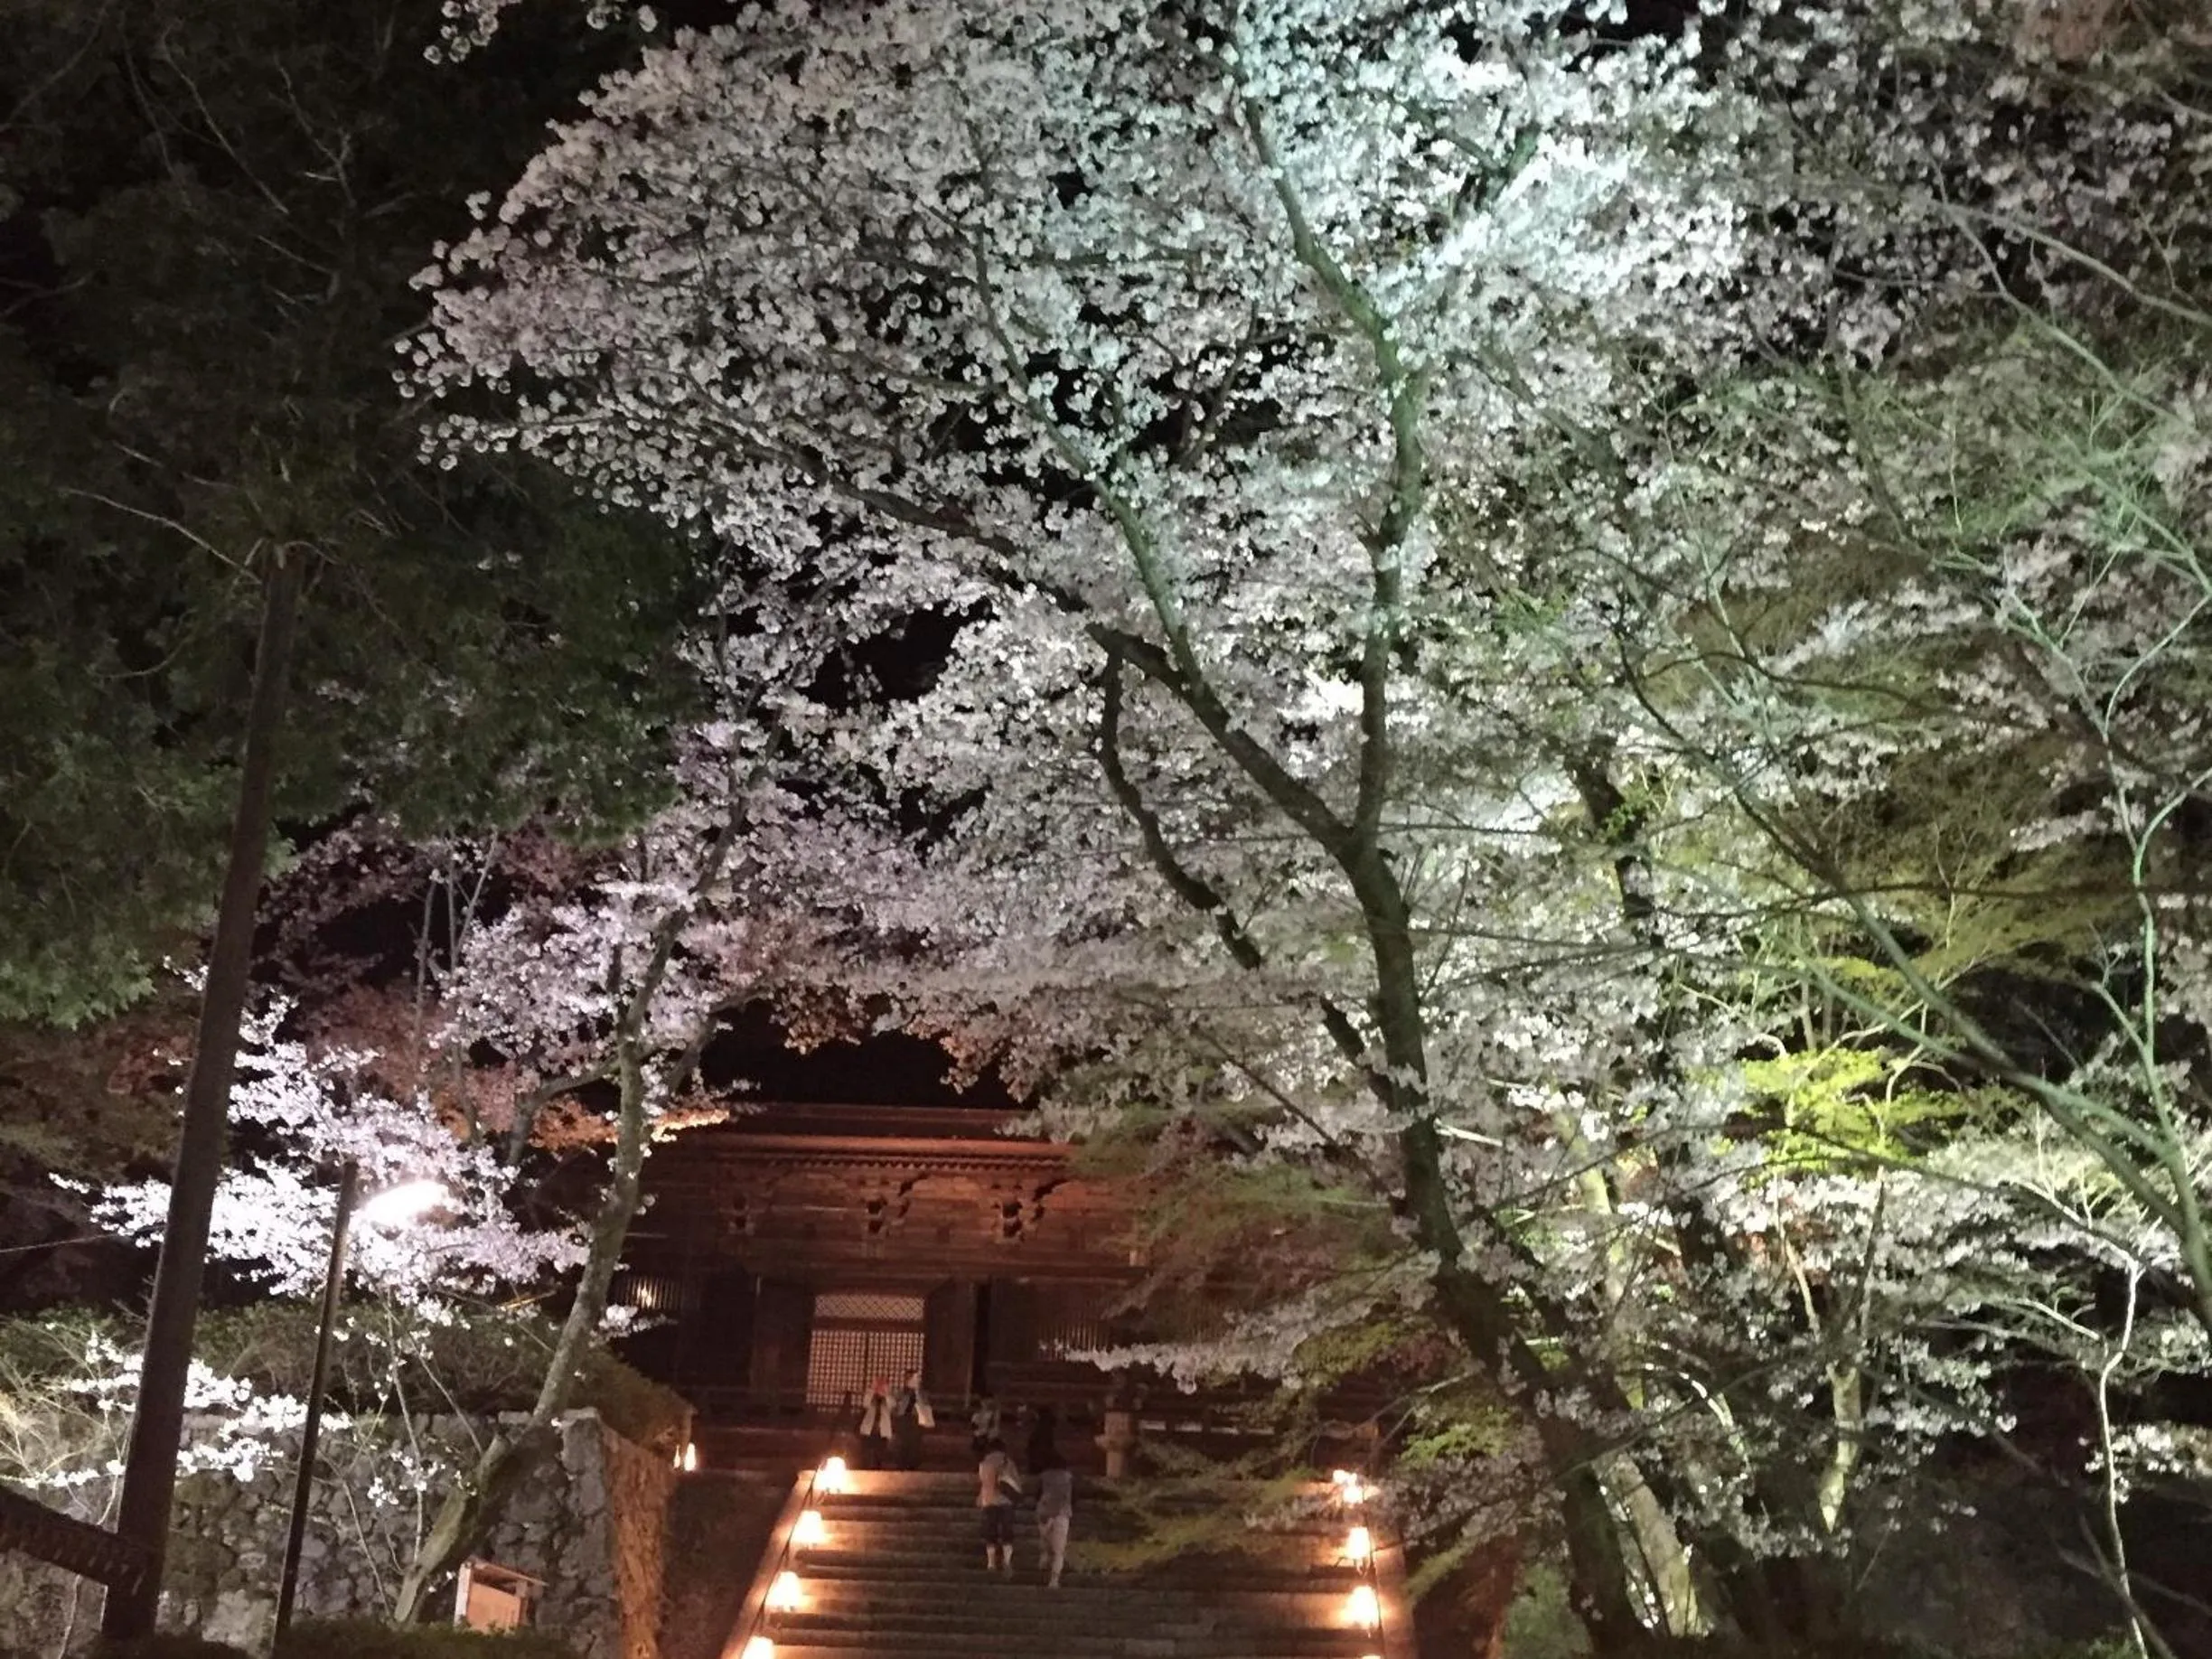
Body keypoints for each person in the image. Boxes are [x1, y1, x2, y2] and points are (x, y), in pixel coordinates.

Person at [976, 1433, 1021, 1573]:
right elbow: (1016, 1483)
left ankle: (991, 1562)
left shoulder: (983, 1464)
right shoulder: (1008, 1461)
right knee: (1007, 1532)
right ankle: (1006, 1560)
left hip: (988, 1500)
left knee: (990, 1532)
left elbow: (983, 1482)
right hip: (1006, 1501)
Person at [1033, 1447, 1073, 1589]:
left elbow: (1037, 1494)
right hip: (1062, 1513)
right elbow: (1074, 1496)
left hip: (1045, 1511)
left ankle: (1044, 1553)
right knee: (1059, 1551)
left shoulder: (1044, 1476)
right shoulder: (1068, 1478)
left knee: (1044, 1536)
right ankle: (1054, 1579)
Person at [890, 1368, 930, 1470]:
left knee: (915, 1445)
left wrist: (917, 1393)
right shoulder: (901, 1393)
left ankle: (913, 1466)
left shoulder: (922, 1394)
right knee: (902, 1443)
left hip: (916, 1420)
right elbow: (895, 1407)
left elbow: (924, 1406)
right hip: (903, 1420)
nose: (918, 1380)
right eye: (916, 1377)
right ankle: (901, 1465)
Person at [856, 1378, 894, 1470]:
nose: (880, 1388)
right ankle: (864, 1470)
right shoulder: (870, 1396)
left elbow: (892, 1405)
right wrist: (873, 1389)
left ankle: (877, 1470)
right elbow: (865, 1403)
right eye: (878, 1386)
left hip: (882, 1431)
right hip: (869, 1430)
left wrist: (886, 1393)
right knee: (866, 1454)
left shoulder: (888, 1398)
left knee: (880, 1455)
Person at [970, 1392, 1002, 1460]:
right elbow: (974, 1427)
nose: (987, 1403)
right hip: (981, 1436)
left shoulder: (994, 1414)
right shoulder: (976, 1414)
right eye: (985, 1401)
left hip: (990, 1437)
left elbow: (994, 1426)